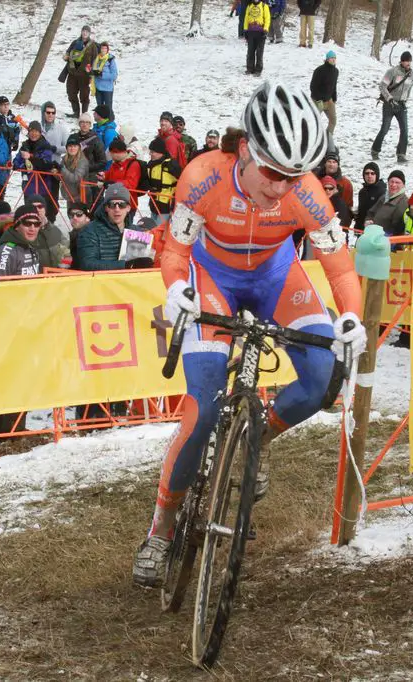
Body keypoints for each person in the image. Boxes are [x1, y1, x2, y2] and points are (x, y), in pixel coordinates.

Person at [132, 82, 364, 588]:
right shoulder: (202, 176)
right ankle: (160, 529)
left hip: (276, 275)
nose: (282, 188)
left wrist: (350, 317)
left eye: (294, 175)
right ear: (245, 151)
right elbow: (174, 253)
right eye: (273, 173)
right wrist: (176, 290)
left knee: (325, 378)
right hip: (212, 277)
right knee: (202, 411)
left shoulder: (306, 191)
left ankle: (254, 438)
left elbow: (340, 267)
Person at [74, 183, 152, 270]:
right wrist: (126, 265)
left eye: (121, 205)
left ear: (128, 208)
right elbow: (87, 264)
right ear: (106, 208)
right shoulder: (90, 231)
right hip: (102, 282)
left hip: (131, 282)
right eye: (112, 205)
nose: (117, 209)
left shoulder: (137, 232)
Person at [371, 52, 413, 163]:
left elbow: (409, 89)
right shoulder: (392, 72)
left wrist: (405, 100)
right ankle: (375, 150)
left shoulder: (412, 74)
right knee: (385, 128)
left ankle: (401, 154)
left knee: (404, 130)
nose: (408, 63)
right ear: (402, 61)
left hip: (401, 104)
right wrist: (389, 98)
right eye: (406, 61)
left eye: (410, 61)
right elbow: (382, 86)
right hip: (389, 104)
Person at [14, 120, 60, 223]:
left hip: (43, 186)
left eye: (36, 131)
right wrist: (23, 163)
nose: (33, 134)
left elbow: (45, 164)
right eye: (31, 131)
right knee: (30, 215)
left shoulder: (45, 146)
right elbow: (16, 163)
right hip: (28, 186)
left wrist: (30, 157)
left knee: (44, 215)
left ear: (40, 133)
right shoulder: (25, 145)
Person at [0, 203, 46, 277]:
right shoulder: (6, 253)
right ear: (16, 226)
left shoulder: (32, 245)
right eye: (27, 223)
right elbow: (0, 286)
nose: (32, 228)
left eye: (37, 224)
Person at [63, 25, 97, 119]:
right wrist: (65, 56)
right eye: (83, 31)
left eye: (87, 31)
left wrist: (91, 76)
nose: (85, 33)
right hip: (73, 73)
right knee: (71, 92)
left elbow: (94, 61)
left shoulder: (92, 45)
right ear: (81, 32)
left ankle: (84, 115)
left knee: (84, 95)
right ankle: (76, 113)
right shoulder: (75, 42)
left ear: (89, 33)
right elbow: (68, 53)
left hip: (85, 74)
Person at [147, 137, 181, 224]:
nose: (150, 154)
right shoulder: (150, 164)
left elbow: (183, 181)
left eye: (152, 152)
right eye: (150, 151)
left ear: (160, 153)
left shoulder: (171, 165)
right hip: (153, 205)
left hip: (166, 207)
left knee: (160, 232)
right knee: (153, 231)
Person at [366, 169, 408, 236]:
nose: (393, 185)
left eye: (397, 182)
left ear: (403, 185)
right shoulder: (384, 197)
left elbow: (397, 228)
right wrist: (368, 221)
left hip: (386, 240)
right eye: (391, 181)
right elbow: (371, 212)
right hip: (373, 235)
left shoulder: (403, 202)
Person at [102, 137, 139, 210]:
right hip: (113, 202)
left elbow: (131, 183)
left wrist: (113, 183)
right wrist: (103, 176)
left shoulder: (133, 164)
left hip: (127, 204)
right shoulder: (115, 163)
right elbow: (110, 175)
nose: (111, 156)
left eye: (112, 153)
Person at [310, 51, 338, 136]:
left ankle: (328, 139)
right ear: (327, 59)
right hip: (318, 101)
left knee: (333, 120)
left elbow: (334, 86)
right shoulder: (319, 70)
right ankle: (310, 138)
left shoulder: (336, 71)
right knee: (313, 121)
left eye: (334, 58)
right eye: (331, 58)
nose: (333, 60)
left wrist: (334, 98)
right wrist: (318, 100)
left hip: (329, 100)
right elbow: (313, 87)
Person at [60, 134, 92, 209]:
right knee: (71, 218)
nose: (72, 148)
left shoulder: (82, 161)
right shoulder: (64, 159)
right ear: (67, 148)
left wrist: (62, 169)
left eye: (75, 146)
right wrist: (55, 171)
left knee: (79, 218)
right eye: (70, 146)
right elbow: (61, 177)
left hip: (81, 196)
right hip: (69, 195)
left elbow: (75, 178)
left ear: (79, 148)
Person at [76, 112, 108, 183]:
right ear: (79, 124)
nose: (84, 124)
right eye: (82, 122)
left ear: (90, 124)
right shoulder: (74, 138)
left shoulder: (96, 140)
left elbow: (103, 162)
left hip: (91, 179)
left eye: (87, 122)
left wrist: (87, 168)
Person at [354, 162, 386, 230]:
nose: (369, 176)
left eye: (372, 173)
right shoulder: (362, 192)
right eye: (367, 173)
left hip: (375, 229)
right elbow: (361, 213)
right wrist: (357, 226)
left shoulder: (382, 192)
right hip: (362, 229)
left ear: (376, 175)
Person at [243, 0, 270, 75]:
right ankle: (250, 68)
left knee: (259, 52)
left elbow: (267, 19)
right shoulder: (249, 6)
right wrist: (245, 30)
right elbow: (246, 18)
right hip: (251, 31)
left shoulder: (264, 6)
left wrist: (265, 29)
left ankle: (258, 69)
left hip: (261, 32)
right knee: (250, 51)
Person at [91, 42, 118, 117]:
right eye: (102, 48)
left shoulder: (110, 59)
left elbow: (114, 75)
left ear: (107, 50)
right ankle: (101, 123)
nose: (103, 50)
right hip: (97, 87)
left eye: (105, 48)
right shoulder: (97, 59)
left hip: (107, 89)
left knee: (108, 108)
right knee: (99, 108)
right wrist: (90, 71)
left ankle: (110, 123)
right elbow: (93, 71)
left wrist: (102, 75)